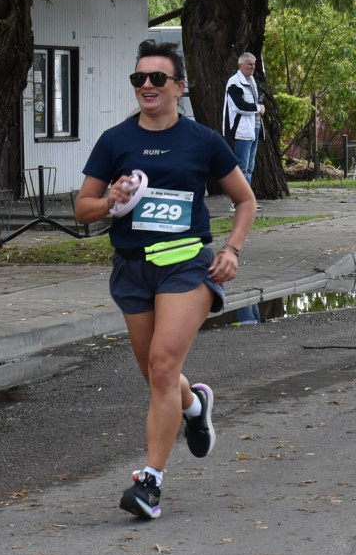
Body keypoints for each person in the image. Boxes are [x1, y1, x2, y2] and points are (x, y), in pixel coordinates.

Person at [75, 39, 257, 519]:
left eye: (158, 78)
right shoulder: (115, 140)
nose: (148, 85)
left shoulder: (203, 140)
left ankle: (149, 484)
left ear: (179, 86)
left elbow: (246, 200)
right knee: (159, 376)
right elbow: (82, 210)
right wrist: (111, 199)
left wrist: (232, 249)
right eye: (140, 78)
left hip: (187, 265)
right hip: (133, 270)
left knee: (161, 365)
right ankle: (194, 404)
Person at [223, 52, 264, 204]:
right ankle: (238, 201)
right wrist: (258, 108)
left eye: (253, 64)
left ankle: (248, 200)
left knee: (250, 168)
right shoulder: (234, 82)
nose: (252, 67)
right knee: (241, 168)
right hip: (241, 131)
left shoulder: (252, 81)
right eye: (249, 64)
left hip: (254, 129)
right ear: (240, 65)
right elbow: (239, 106)